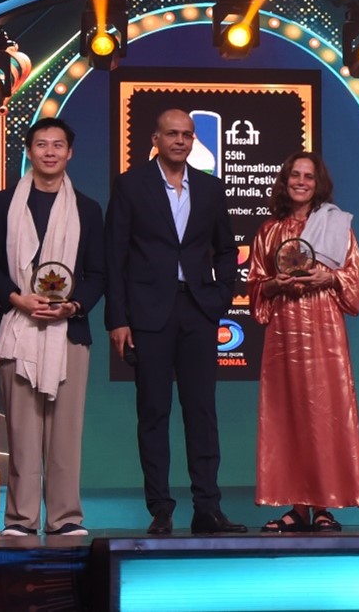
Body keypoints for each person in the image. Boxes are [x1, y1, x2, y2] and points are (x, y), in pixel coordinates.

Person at [104, 109, 246, 535]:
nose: (180, 141)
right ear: (156, 139)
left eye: (187, 134)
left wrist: (220, 296)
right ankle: (161, 510)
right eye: (172, 134)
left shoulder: (210, 187)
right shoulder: (131, 185)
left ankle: (208, 509)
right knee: (153, 412)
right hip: (148, 313)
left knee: (202, 411)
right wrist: (118, 319)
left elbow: (226, 249)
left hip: (198, 310)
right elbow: (114, 255)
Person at [0, 117, 105, 536]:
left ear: (70, 153)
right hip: (18, 326)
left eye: (58, 145)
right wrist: (17, 299)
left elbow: (97, 273)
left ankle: (65, 518)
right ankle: (21, 519)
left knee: (66, 432)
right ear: (29, 152)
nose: (50, 152)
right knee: (22, 432)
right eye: (41, 144)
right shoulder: (3, 204)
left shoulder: (87, 208)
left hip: (68, 331)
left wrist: (73, 305)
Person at [247, 152, 359, 532]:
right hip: (284, 330)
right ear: (285, 181)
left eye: (309, 177)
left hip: (324, 329)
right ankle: (297, 508)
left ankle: (323, 506)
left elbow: (355, 281)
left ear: (319, 185)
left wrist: (329, 278)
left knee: (325, 412)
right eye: (295, 175)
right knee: (288, 414)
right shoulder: (268, 231)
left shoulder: (337, 224)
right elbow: (256, 286)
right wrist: (275, 283)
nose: (301, 182)